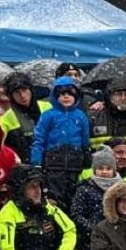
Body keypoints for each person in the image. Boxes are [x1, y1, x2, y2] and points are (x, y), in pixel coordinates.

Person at [30, 76, 92, 206]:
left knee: (75, 200)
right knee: (55, 200)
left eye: (70, 94)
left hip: (75, 166)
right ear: (55, 96)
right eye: (62, 94)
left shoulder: (81, 116)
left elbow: (85, 140)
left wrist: (87, 158)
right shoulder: (48, 115)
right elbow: (39, 140)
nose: (66, 97)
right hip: (53, 166)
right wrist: (36, 162)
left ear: (76, 96)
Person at [0, 71, 50, 163]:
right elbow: (0, 149)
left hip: (50, 164)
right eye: (17, 92)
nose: (22, 95)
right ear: (11, 96)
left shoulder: (47, 107)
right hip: (24, 168)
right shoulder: (5, 119)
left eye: (25, 90)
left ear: (31, 89)